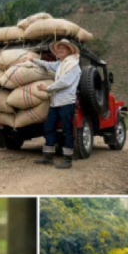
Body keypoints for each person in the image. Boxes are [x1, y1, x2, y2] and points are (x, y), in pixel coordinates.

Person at [32, 39, 82, 169]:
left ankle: (67, 159)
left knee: (66, 130)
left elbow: (65, 82)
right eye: (58, 50)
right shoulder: (60, 64)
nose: (60, 51)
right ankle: (48, 156)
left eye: (63, 49)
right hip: (55, 102)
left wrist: (47, 88)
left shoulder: (73, 66)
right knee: (48, 127)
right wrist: (33, 60)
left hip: (66, 102)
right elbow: (48, 65)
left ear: (69, 51)